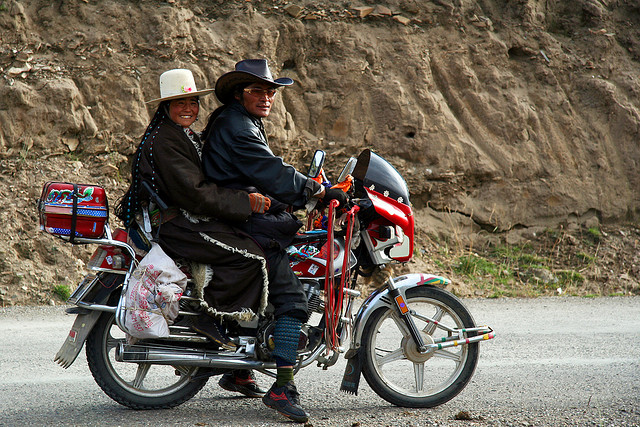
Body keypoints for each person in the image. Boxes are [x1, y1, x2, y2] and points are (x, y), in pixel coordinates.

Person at [201, 59, 347, 423]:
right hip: (241, 222)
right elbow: (271, 171)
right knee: (292, 300)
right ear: (239, 94)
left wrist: (297, 196)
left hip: (238, 213)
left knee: (267, 283)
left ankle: (238, 371)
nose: (266, 97)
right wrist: (318, 191)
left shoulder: (239, 120)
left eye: (270, 92)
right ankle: (282, 387)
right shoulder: (238, 126)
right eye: (257, 91)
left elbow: (257, 174)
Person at [114, 68, 271, 399]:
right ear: (166, 107)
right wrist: (244, 202)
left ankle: (238, 369)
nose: (188, 108)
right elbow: (196, 194)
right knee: (251, 257)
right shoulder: (164, 141)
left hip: (187, 218)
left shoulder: (180, 135)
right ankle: (206, 317)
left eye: (193, 102)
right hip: (178, 225)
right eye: (179, 103)